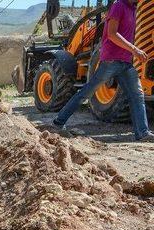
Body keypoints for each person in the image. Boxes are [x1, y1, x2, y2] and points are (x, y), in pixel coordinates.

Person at [53, 0, 154, 142]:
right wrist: (135, 49)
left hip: (125, 62)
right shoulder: (119, 5)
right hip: (111, 61)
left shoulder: (133, 9)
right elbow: (112, 34)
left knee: (137, 96)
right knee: (86, 93)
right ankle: (58, 122)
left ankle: (142, 133)